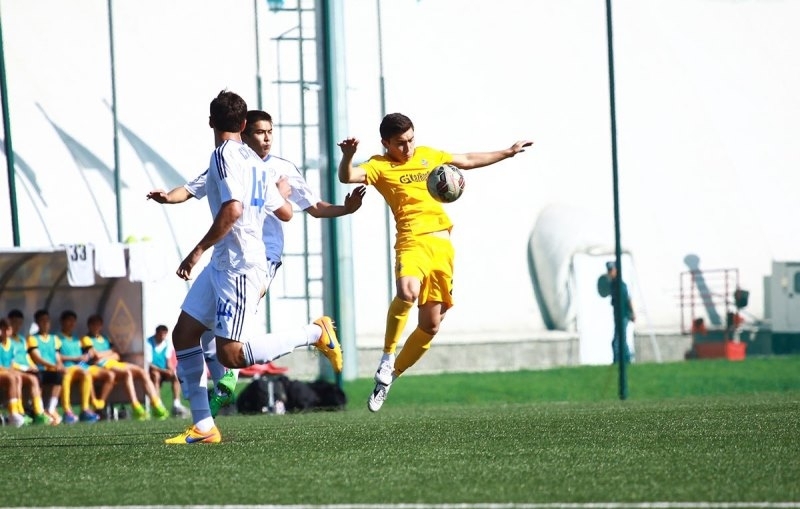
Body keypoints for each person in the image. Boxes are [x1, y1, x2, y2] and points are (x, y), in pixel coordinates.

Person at [147, 108, 365, 417]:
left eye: (270, 132)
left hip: (260, 257)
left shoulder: (280, 169)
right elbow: (194, 187)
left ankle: (244, 366)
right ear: (244, 133)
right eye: (260, 132)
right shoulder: (229, 161)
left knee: (230, 341)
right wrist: (168, 197)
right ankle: (215, 399)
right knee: (193, 330)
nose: (266, 138)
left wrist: (345, 208)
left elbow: (311, 207)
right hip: (225, 257)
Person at [337, 112, 533, 412]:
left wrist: (507, 152)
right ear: (386, 143)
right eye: (400, 143)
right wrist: (349, 156)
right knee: (407, 291)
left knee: (430, 325)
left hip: (441, 245)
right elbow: (347, 176)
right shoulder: (379, 166)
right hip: (412, 241)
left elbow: (467, 159)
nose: (408, 147)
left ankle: (389, 378)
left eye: (411, 139)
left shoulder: (429, 155)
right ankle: (387, 356)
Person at [81, 314, 170, 420]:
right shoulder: (86, 339)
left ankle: (156, 403)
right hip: (102, 366)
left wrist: (104, 355)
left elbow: (116, 354)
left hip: (114, 363)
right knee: (127, 372)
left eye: (98, 324)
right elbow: (95, 356)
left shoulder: (105, 339)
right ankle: (136, 406)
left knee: (142, 372)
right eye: (94, 324)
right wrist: (109, 353)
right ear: (89, 326)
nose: (96, 326)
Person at [56, 310, 102, 423]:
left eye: (73, 321)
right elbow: (57, 356)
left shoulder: (77, 339)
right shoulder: (57, 338)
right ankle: (67, 410)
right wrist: (75, 358)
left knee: (87, 374)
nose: (71, 324)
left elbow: (88, 353)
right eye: (69, 321)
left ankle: (85, 409)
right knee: (66, 377)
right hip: (66, 366)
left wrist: (87, 356)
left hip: (79, 366)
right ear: (62, 322)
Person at [5, 309, 48, 423]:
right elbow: (10, 361)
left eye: (19, 323)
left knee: (35, 378)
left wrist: (32, 366)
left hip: (24, 370)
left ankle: (39, 412)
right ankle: (19, 411)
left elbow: (26, 356)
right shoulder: (6, 340)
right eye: (14, 323)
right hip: (14, 370)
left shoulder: (22, 340)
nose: (17, 326)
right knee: (18, 378)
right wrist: (24, 368)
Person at [26, 309, 65, 424]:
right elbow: (37, 358)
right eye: (42, 320)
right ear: (37, 323)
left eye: (47, 320)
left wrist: (59, 365)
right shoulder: (32, 338)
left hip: (52, 370)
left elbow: (57, 357)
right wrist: (54, 365)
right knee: (38, 378)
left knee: (59, 376)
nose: (45, 323)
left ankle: (51, 409)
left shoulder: (54, 339)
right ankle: (39, 411)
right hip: (39, 369)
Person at [145, 325, 189, 417]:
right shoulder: (148, 343)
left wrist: (172, 370)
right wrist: (164, 371)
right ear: (156, 334)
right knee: (156, 376)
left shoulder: (167, 343)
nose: (162, 337)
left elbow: (168, 361)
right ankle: (158, 404)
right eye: (161, 334)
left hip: (163, 370)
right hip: (152, 370)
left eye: (164, 334)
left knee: (176, 376)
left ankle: (176, 404)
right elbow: (149, 364)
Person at [0, 318, 29, 427]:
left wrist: (11, 371)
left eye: (9, 329)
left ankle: (19, 410)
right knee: (12, 377)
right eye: (6, 329)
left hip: (5, 373)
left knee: (17, 377)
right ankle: (13, 413)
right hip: (2, 373)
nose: (9, 332)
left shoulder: (11, 344)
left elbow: (11, 363)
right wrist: (9, 372)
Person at [606, 261, 635, 364]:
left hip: (623, 316)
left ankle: (621, 361)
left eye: (612, 270)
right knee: (620, 340)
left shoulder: (621, 285)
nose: (610, 273)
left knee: (618, 341)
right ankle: (625, 360)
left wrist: (632, 313)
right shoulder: (612, 285)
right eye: (609, 270)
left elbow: (628, 299)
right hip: (617, 316)